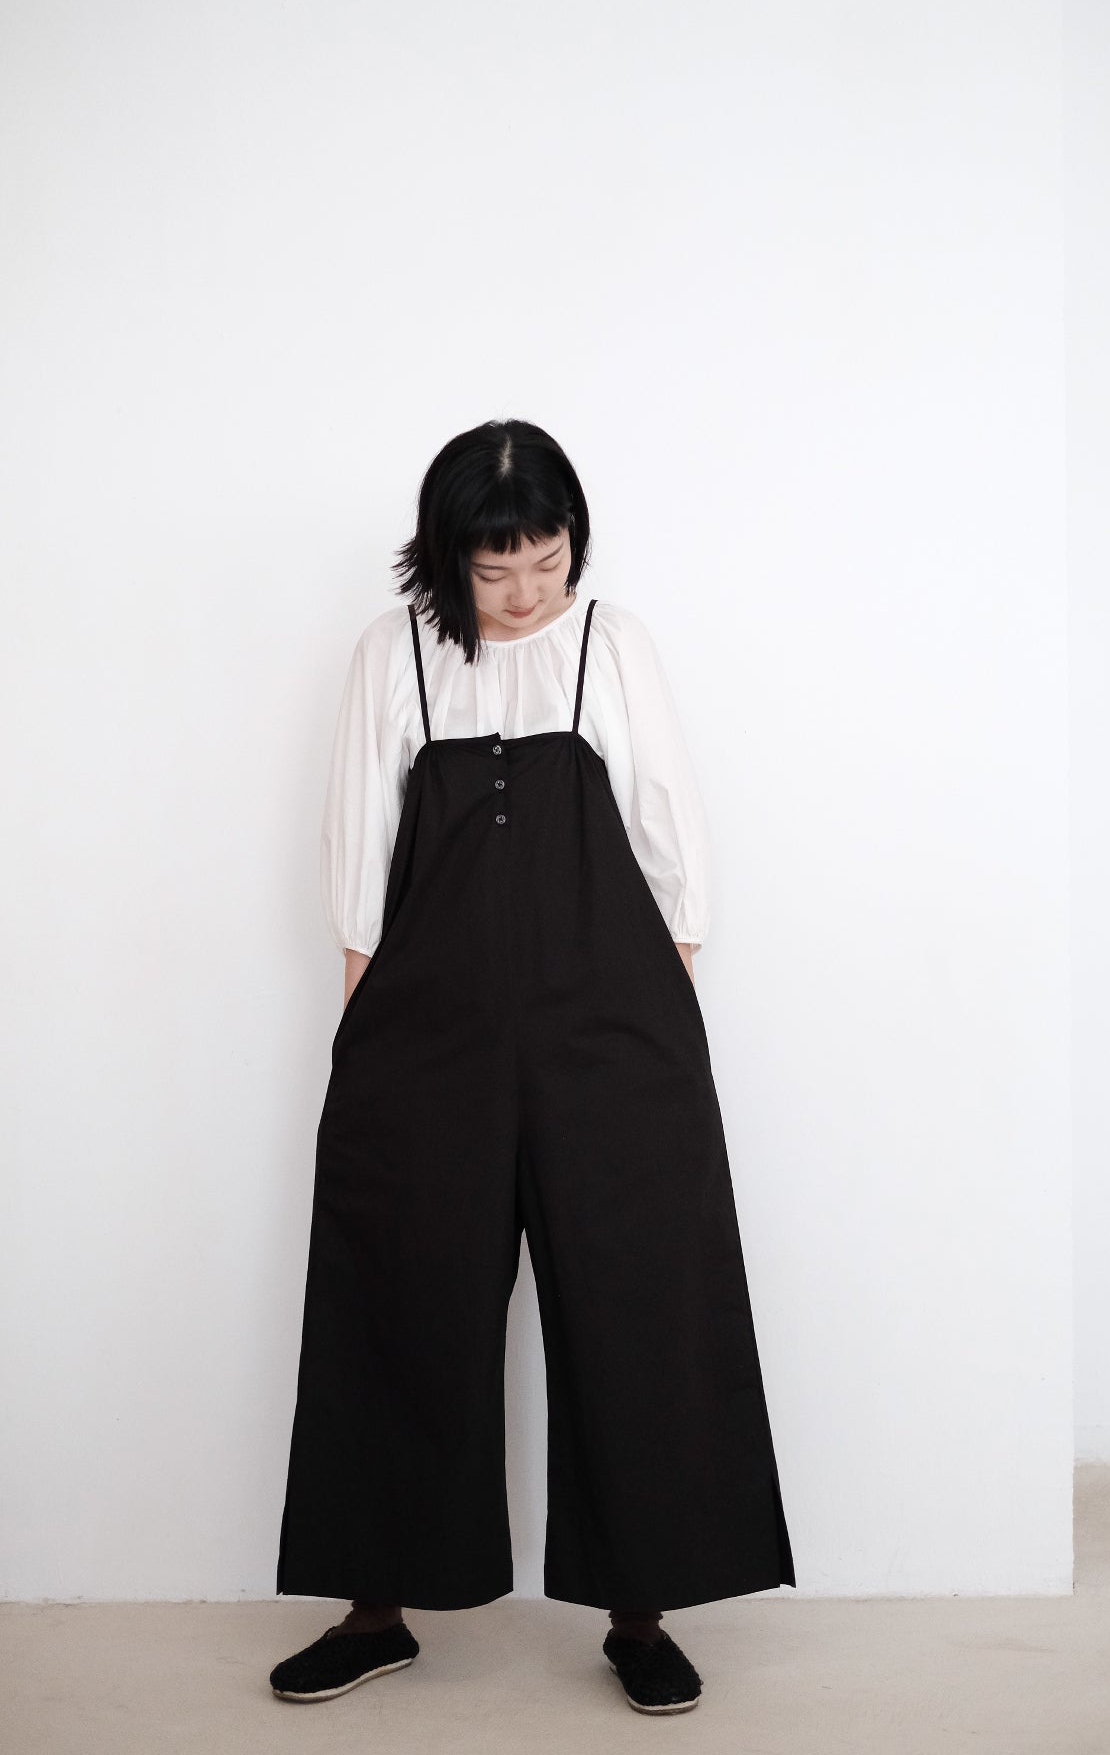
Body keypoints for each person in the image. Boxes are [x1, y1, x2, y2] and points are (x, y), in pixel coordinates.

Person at [269, 419, 795, 1716]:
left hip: (610, 1023)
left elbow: (670, 828)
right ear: (446, 555)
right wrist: (368, 1024)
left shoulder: (610, 643)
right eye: (495, 568)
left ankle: (641, 1613)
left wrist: (658, 998)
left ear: (574, 545)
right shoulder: (394, 654)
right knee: (400, 1296)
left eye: (546, 562)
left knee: (636, 1301)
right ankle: (377, 1611)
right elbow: (359, 841)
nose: (523, 593)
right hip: (425, 1028)